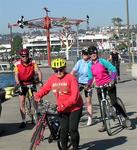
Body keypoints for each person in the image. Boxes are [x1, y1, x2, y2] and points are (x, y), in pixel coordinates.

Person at [34, 58, 83, 150]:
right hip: (62, 109)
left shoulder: (71, 78)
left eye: (61, 69)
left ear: (64, 68)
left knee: (72, 130)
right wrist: (38, 95)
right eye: (56, 70)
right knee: (63, 131)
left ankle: (76, 148)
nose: (58, 72)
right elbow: (45, 89)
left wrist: (64, 105)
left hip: (75, 108)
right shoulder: (52, 79)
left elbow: (75, 97)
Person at [87, 45, 132, 132]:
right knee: (101, 105)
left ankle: (125, 117)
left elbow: (113, 69)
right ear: (89, 55)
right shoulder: (89, 65)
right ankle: (104, 125)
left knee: (114, 102)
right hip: (99, 86)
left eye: (94, 52)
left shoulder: (102, 61)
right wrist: (88, 85)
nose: (93, 54)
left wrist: (112, 80)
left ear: (97, 53)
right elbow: (90, 77)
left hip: (109, 84)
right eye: (91, 53)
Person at [14, 48, 42, 128]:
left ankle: (37, 115)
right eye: (22, 56)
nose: (24, 57)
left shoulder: (33, 62)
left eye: (26, 55)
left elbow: (38, 71)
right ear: (20, 56)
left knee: (36, 98)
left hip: (31, 82)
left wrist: (40, 81)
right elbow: (16, 75)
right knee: (22, 101)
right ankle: (23, 121)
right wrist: (18, 84)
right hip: (22, 83)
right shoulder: (17, 64)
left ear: (28, 55)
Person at [71, 49, 92, 126]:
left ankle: (90, 117)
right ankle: (76, 115)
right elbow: (73, 72)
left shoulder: (91, 62)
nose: (85, 56)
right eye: (84, 54)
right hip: (79, 83)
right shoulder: (79, 62)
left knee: (88, 101)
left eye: (86, 54)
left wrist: (92, 83)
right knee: (75, 99)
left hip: (88, 83)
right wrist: (70, 79)